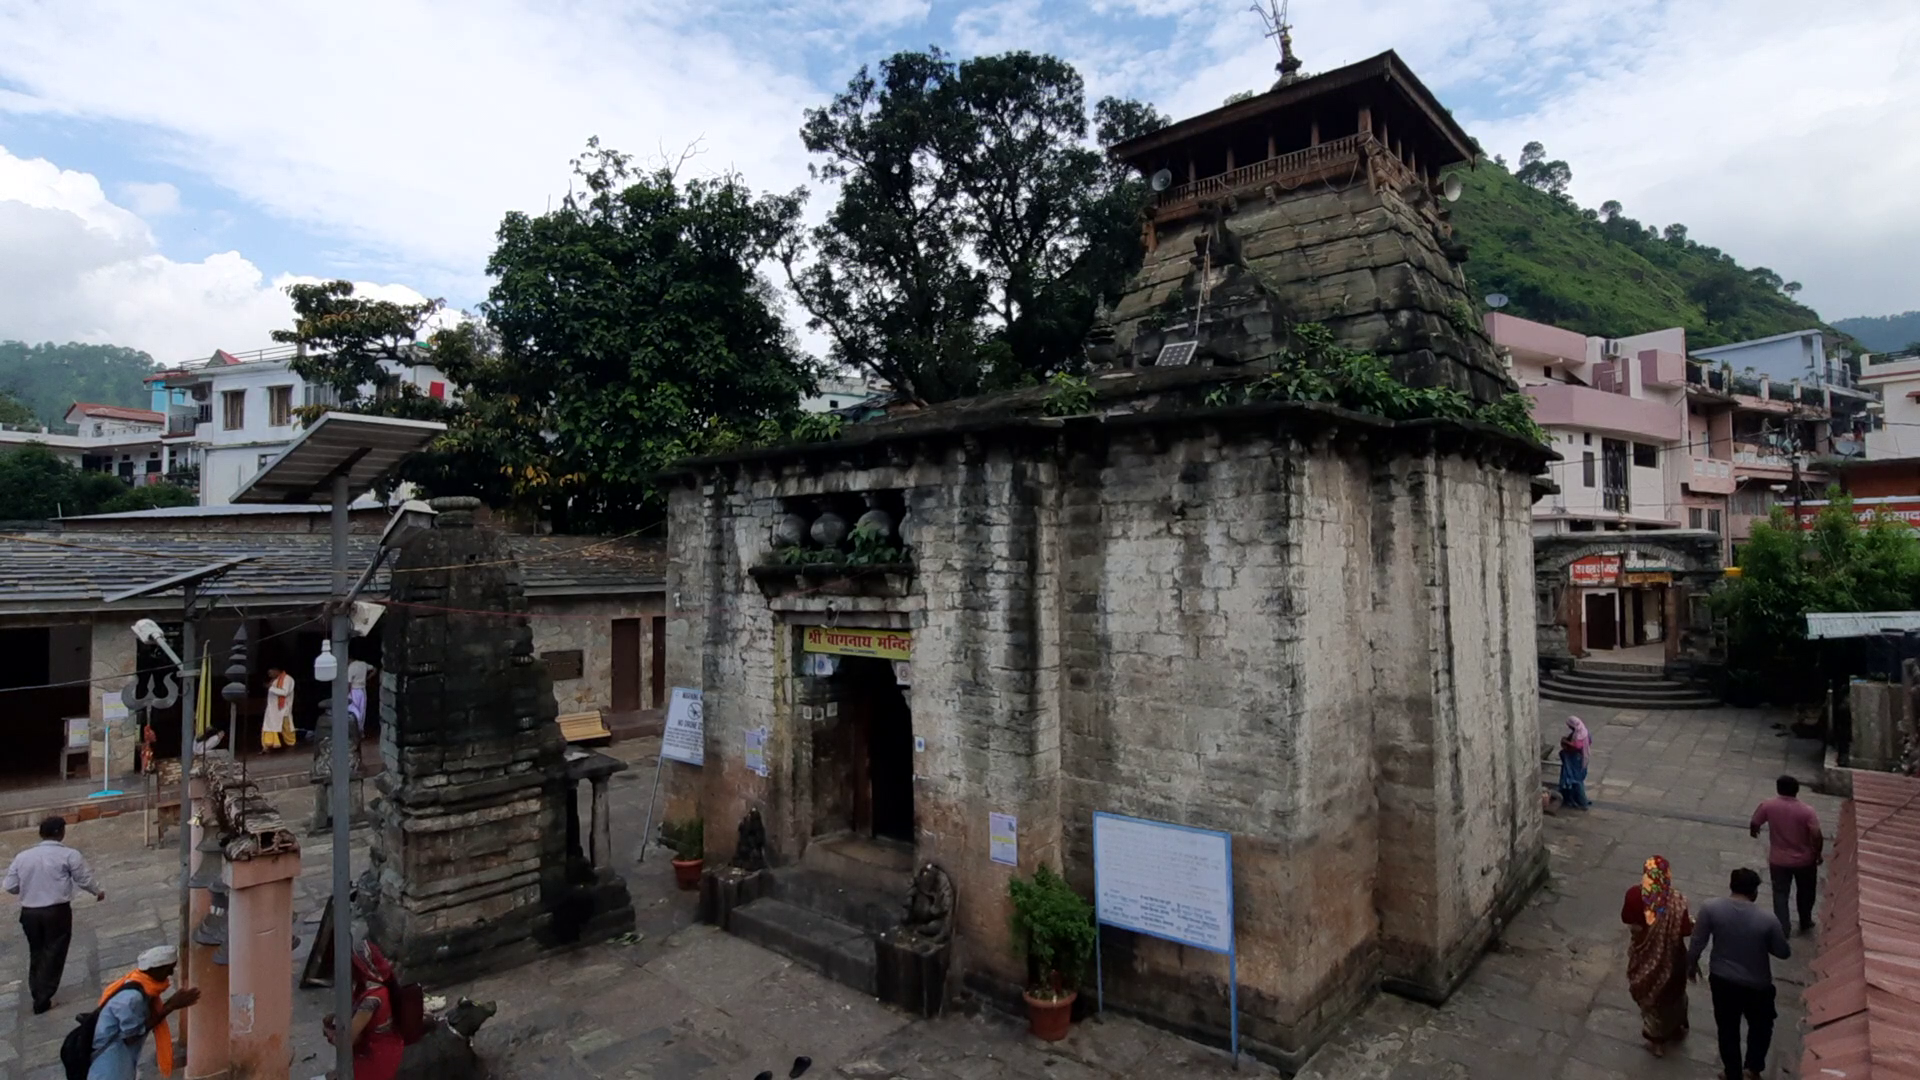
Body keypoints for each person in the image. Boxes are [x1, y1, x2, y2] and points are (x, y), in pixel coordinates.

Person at [1687, 867, 1790, 1080]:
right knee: (1760, 1026)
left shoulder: (1711, 908)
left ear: (1731, 886)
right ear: (1754, 892)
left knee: (1727, 1027)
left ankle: (1732, 1072)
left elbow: (1698, 941)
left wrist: (1691, 963)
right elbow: (1783, 952)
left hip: (1722, 979)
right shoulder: (1767, 919)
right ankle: (1752, 1069)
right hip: (1757, 984)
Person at [4, 815, 104, 1013]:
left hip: (30, 912)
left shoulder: (23, 857)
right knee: (55, 951)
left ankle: (37, 989)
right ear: (61, 833)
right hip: (56, 911)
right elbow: (83, 878)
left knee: (37, 950)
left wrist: (28, 889)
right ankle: (43, 997)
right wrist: (97, 891)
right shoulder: (68, 855)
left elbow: (10, 886)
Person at [87, 945, 201, 1080]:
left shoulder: (139, 984)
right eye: (168, 969)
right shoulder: (132, 999)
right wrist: (169, 1007)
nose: (170, 974)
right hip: (111, 1058)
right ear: (155, 970)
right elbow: (132, 1035)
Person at [1621, 855, 1693, 1056]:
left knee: (1651, 997)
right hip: (1673, 957)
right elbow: (1686, 930)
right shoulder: (1677, 901)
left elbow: (1628, 919)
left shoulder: (1635, 895)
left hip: (1646, 955)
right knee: (1673, 995)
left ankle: (1656, 1041)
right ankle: (1677, 1026)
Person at [1750, 774, 1823, 937]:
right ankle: (1805, 920)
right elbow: (1816, 834)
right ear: (1797, 791)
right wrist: (1817, 853)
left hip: (1779, 860)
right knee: (1806, 892)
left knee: (1780, 894)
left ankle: (1783, 928)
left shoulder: (1768, 806)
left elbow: (1755, 822)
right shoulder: (1807, 811)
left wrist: (1754, 831)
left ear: (1778, 789)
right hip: (1805, 860)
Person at [322, 940, 405, 1080]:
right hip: (378, 1049)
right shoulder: (374, 987)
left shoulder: (372, 999)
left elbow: (346, 1042)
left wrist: (329, 1033)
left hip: (376, 1058)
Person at [1559, 715, 1592, 809]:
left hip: (1576, 760)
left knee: (1576, 780)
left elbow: (1577, 746)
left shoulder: (1579, 735)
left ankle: (1582, 802)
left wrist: (1566, 742)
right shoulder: (1584, 732)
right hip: (1582, 758)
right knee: (1576, 780)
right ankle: (1575, 799)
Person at [261, 667, 296, 752]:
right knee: (269, 726)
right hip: (272, 709)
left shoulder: (287, 679)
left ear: (277, 670)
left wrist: (270, 688)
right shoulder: (275, 680)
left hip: (282, 708)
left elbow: (284, 692)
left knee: (286, 728)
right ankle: (268, 745)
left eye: (270, 672)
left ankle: (291, 744)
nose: (269, 674)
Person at [346, 658, 373, 737]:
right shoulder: (363, 664)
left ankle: (355, 730)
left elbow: (349, 683)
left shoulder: (351, 667)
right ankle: (361, 730)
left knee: (353, 710)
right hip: (362, 689)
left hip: (354, 690)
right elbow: (374, 669)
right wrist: (367, 678)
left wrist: (347, 693)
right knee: (362, 710)